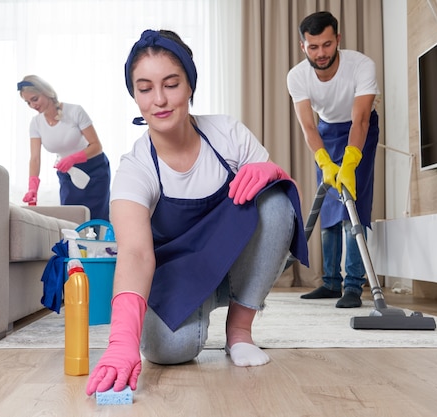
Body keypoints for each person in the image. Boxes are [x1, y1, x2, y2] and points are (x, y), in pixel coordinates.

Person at [85, 29, 308, 397]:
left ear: (190, 85)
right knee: (170, 349)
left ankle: (239, 331)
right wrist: (122, 341)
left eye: (171, 84)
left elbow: (289, 210)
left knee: (275, 200)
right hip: (177, 274)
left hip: (233, 261)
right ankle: (198, 313)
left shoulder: (226, 134)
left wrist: (278, 173)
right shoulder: (136, 168)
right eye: (145, 88)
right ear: (135, 95)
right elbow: (136, 253)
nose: (159, 99)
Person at [286, 11, 380, 308]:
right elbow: (308, 126)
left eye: (327, 45)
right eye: (313, 47)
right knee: (328, 206)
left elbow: (361, 120)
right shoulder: (297, 76)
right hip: (325, 133)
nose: (321, 53)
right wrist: (325, 161)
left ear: (337, 39)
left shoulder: (361, 66)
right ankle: (330, 283)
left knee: (353, 203)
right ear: (303, 46)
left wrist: (351, 160)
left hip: (359, 130)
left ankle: (353, 285)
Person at [17, 75, 110, 221]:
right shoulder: (36, 123)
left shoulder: (75, 111)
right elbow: (34, 159)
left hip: (94, 171)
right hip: (68, 174)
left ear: (46, 92)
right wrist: (32, 187)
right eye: (28, 102)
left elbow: (96, 146)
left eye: (35, 99)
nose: (33, 105)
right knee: (71, 220)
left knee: (96, 219)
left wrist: (73, 158)